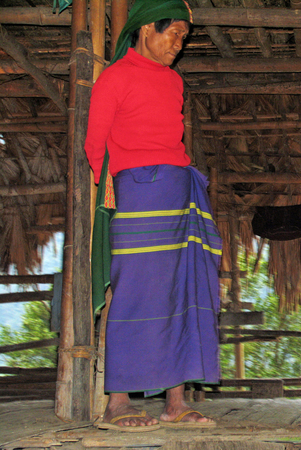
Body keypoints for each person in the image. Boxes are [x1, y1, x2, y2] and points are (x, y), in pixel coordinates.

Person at [85, 0, 222, 431]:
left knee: (181, 293)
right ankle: (118, 402)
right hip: (138, 193)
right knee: (133, 294)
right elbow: (95, 142)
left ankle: (175, 402)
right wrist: (105, 182)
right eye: (173, 34)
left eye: (184, 37)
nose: (178, 44)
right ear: (146, 29)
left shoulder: (174, 82)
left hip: (180, 191)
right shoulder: (115, 77)